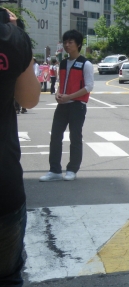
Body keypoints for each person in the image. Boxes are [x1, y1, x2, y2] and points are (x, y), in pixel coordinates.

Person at [0, 7, 40, 287]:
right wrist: (16, 32)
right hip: (4, 184)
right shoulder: (11, 38)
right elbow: (29, 98)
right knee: (5, 284)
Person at [40, 30, 94, 182]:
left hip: (77, 105)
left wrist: (69, 96)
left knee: (75, 137)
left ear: (78, 45)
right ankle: (54, 170)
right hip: (62, 105)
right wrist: (58, 94)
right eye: (65, 42)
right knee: (55, 137)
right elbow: (61, 83)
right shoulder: (63, 63)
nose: (67, 45)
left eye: (70, 42)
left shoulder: (86, 64)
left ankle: (72, 169)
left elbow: (89, 86)